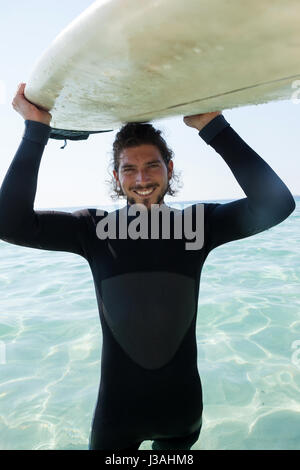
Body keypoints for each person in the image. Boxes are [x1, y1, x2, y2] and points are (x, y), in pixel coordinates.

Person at [0, 83, 295, 451]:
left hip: (181, 414)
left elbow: (277, 204)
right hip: (117, 418)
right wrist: (35, 130)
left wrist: (214, 127)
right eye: (130, 169)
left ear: (169, 168)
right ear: (116, 177)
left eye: (152, 165)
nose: (142, 179)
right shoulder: (92, 230)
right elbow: (10, 223)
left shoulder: (198, 227)